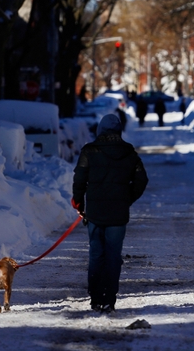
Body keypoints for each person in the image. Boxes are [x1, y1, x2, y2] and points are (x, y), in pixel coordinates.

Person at [72, 114, 149, 313]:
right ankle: (109, 298)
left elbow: (79, 179)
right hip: (118, 214)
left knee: (96, 254)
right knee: (114, 256)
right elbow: (142, 180)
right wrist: (127, 198)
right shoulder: (129, 152)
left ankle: (96, 298)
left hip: (95, 213)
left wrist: (78, 202)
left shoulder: (89, 151)